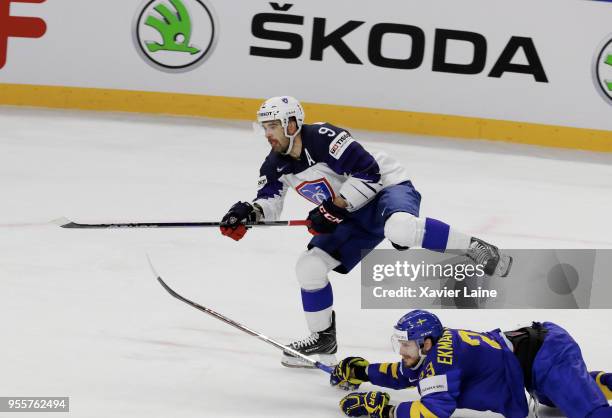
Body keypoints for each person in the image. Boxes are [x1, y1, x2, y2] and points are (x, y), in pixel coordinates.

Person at [219, 96, 512, 367]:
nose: (268, 133)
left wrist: (334, 207)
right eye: (265, 127)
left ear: (292, 124)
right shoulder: (274, 164)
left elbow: (369, 172)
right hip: (349, 213)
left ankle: (475, 247)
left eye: (273, 126)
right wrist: (249, 213)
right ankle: (324, 341)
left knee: (400, 228)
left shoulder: (323, 137)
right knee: (309, 267)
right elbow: (269, 202)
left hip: (386, 188)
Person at [331, 310, 612, 418]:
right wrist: (362, 371)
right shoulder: (430, 351)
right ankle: (597, 383)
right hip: (530, 368)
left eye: (406, 344)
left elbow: (433, 411)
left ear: (426, 343)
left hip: (548, 355)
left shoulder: (441, 361)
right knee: (555, 404)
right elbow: (404, 374)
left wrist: (385, 410)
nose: (402, 351)